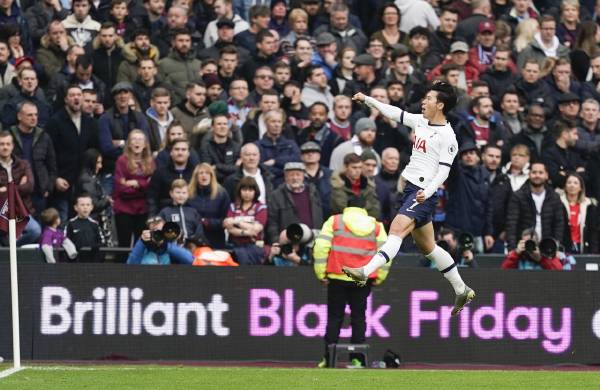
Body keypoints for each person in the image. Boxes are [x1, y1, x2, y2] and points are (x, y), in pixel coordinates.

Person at [345, 82, 475, 316]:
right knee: (428, 247)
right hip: (411, 190)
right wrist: (369, 100)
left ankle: (366, 271)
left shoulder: (449, 137)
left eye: (428, 99)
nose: (423, 102)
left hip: (423, 192)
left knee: (396, 228)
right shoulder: (421, 121)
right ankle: (461, 288)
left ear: (440, 105)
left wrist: (430, 189)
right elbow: (395, 113)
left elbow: (444, 171)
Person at [313, 196, 388, 368]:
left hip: (337, 277)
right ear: (364, 208)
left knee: (334, 318)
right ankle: (357, 359)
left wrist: (320, 273)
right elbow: (385, 253)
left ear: (347, 207)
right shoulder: (376, 227)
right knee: (359, 318)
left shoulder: (335, 221)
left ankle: (328, 358)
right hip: (363, 279)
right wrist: (380, 276)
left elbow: (321, 247)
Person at [8, 101, 57, 217]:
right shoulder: (9, 136)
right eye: (29, 115)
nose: (34, 118)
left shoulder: (44, 136)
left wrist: (48, 187)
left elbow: (52, 165)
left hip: (39, 192)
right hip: (16, 191)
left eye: (35, 115)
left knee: (38, 227)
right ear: (19, 116)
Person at [505, 162, 565, 251]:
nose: (537, 175)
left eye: (541, 173)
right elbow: (512, 223)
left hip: (548, 249)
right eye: (534, 172)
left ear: (546, 175)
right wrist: (512, 248)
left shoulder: (554, 197)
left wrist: (556, 245)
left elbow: (559, 223)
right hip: (524, 248)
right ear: (529, 175)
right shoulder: (518, 196)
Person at [113, 130, 155, 249]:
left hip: (143, 209)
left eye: (140, 139)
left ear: (145, 144)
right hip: (124, 209)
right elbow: (120, 188)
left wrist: (136, 183)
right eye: (133, 139)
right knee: (123, 246)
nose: (137, 142)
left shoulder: (150, 162)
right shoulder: (122, 161)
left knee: (141, 245)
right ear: (129, 144)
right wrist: (143, 185)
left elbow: (151, 186)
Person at [0, 130, 41, 246]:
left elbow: (29, 187)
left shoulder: (23, 164)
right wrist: (19, 186)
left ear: (12, 146)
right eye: (2, 144)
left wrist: (5, 190)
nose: (5, 147)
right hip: (1, 211)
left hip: (21, 211)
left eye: (8, 144)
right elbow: (23, 188)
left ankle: (10, 246)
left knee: (35, 230)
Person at [266, 162, 323, 245]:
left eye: (298, 174)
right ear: (285, 177)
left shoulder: (313, 192)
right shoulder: (276, 195)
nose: (295, 178)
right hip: (289, 241)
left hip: (313, 240)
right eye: (291, 175)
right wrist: (276, 241)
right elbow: (272, 222)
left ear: (303, 176)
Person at [223, 176, 267, 265]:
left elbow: (256, 229)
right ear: (240, 191)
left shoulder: (261, 207)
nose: (247, 193)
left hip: (254, 246)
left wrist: (237, 221)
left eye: (250, 190)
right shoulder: (233, 206)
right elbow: (229, 227)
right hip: (234, 246)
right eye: (244, 190)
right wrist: (246, 232)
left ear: (255, 192)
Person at [187, 163, 231, 248]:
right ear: (196, 176)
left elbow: (226, 218)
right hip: (193, 238)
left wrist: (208, 222)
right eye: (201, 173)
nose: (204, 175)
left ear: (212, 176)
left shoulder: (221, 193)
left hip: (215, 237)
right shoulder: (188, 193)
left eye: (207, 173)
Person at [75, 148, 113, 246]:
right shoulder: (87, 180)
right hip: (93, 222)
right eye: (98, 163)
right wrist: (107, 201)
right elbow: (93, 204)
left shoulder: (91, 177)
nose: (100, 166)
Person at [147, 138, 196, 215]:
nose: (180, 152)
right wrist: (152, 217)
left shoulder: (195, 173)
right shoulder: (160, 173)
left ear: (188, 153)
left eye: (183, 150)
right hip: (165, 216)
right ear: (171, 152)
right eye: (177, 149)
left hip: (191, 216)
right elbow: (152, 198)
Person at [557, 172, 599, 254]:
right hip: (564, 247)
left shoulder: (589, 206)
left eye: (575, 183)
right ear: (565, 186)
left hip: (583, 246)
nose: (572, 185)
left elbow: (593, 231)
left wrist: (594, 252)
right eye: (569, 182)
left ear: (580, 188)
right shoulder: (557, 204)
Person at [330, 152, 380, 219]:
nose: (358, 171)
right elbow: (341, 209)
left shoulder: (368, 185)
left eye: (360, 167)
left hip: (366, 226)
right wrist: (364, 205)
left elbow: (376, 211)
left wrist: (360, 204)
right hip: (343, 225)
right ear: (345, 167)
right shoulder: (338, 185)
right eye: (354, 167)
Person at [126, 215, 194, 265]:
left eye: (161, 231)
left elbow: (190, 260)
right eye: (154, 232)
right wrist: (142, 241)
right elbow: (131, 265)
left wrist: (165, 245)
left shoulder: (170, 246)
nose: (158, 234)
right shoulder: (143, 247)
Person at [158, 179, 206, 244]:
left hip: (192, 244)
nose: (181, 195)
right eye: (178, 192)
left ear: (188, 194)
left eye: (184, 193)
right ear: (171, 194)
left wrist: (195, 240)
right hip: (172, 245)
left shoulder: (193, 211)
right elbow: (160, 231)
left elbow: (199, 231)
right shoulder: (165, 212)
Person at [541, 119, 585, 189]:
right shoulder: (549, 154)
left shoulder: (575, 152)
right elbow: (555, 179)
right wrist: (575, 173)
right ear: (564, 134)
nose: (577, 138)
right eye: (574, 134)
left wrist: (565, 173)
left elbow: (584, 175)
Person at [199, 113, 241, 182]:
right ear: (212, 127)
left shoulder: (236, 146)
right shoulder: (206, 146)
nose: (222, 126)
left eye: (225, 124)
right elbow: (208, 170)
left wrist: (217, 166)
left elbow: (238, 169)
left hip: (232, 183)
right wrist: (230, 169)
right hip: (213, 183)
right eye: (219, 124)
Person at [65, 194, 105, 262]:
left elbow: (102, 242)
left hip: (92, 263)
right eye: (82, 205)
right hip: (74, 263)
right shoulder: (70, 224)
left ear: (91, 207)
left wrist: (95, 249)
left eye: (88, 205)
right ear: (76, 207)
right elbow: (65, 241)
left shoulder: (95, 224)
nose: (85, 207)